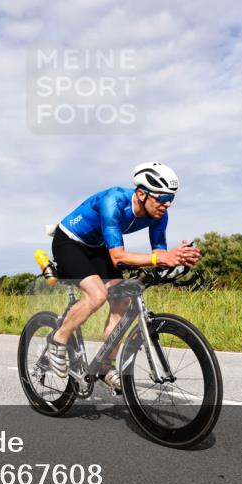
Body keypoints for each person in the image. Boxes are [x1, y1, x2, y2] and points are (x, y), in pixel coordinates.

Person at [47, 162, 200, 391]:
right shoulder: (114, 201)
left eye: (171, 198)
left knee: (122, 298)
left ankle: (104, 365)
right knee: (97, 295)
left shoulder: (160, 215)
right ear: (141, 193)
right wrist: (162, 259)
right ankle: (58, 339)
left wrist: (177, 258)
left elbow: (158, 254)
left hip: (98, 246)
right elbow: (118, 257)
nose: (167, 203)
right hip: (69, 241)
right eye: (162, 197)